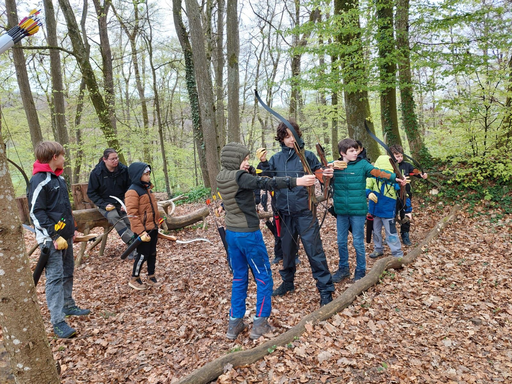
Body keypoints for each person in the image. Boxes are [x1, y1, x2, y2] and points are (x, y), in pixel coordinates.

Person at [216, 142, 316, 340]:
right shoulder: (241, 178)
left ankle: (234, 323)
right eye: (243, 159)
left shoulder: (222, 176)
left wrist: (249, 169)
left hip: (232, 234)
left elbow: (249, 179)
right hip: (248, 235)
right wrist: (298, 181)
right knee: (263, 276)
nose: (247, 162)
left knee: (239, 277)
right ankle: (260, 323)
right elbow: (265, 183)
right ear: (234, 160)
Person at [258, 120, 335, 306]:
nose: (290, 139)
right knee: (287, 251)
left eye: (293, 135)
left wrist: (327, 175)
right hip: (284, 213)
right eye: (286, 136)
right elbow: (264, 179)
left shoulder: (307, 156)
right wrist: (262, 164)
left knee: (314, 250)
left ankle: (325, 290)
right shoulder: (275, 159)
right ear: (281, 138)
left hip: (305, 211)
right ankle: (288, 282)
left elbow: (321, 177)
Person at [28, 141, 90, 339]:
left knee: (67, 272)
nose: (64, 158)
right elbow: (36, 213)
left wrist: (72, 230)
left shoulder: (59, 179)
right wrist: (53, 235)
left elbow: (64, 209)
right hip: (50, 239)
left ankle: (68, 305)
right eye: (62, 155)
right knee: (54, 278)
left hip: (65, 236)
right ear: (54, 156)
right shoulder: (39, 180)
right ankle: (58, 321)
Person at [331, 138, 407, 283]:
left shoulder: (362, 164)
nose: (355, 153)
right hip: (341, 210)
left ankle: (360, 270)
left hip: (358, 210)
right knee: (341, 241)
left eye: (356, 150)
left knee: (358, 241)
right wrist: (329, 169)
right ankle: (343, 269)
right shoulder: (335, 166)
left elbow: (378, 172)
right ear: (342, 153)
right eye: (351, 151)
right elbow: (322, 175)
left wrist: (394, 178)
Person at [87, 149, 135, 256]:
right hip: (105, 204)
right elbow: (91, 192)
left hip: (121, 202)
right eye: (112, 159)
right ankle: (132, 243)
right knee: (115, 217)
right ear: (105, 160)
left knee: (129, 219)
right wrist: (103, 204)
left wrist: (125, 202)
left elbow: (130, 187)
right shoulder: (96, 173)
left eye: (116, 158)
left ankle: (136, 247)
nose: (115, 161)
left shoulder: (123, 170)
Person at [366, 155, 411, 259]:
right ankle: (378, 249)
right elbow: (366, 187)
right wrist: (368, 193)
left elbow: (404, 195)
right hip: (374, 210)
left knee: (391, 232)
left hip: (388, 211)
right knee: (375, 231)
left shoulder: (394, 180)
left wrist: (408, 210)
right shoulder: (372, 177)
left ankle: (397, 253)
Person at [125, 162, 161, 290]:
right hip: (143, 232)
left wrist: (157, 222)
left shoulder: (148, 189)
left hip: (153, 228)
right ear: (137, 175)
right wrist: (140, 232)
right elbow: (132, 215)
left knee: (152, 253)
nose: (148, 176)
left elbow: (152, 209)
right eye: (146, 174)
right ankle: (135, 277)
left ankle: (151, 276)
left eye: (149, 174)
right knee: (142, 254)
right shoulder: (132, 192)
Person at [389, 145, 428, 246]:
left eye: (401, 156)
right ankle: (391, 235)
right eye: (397, 156)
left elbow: (414, 171)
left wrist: (421, 174)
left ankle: (405, 234)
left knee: (406, 213)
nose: (400, 158)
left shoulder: (406, 165)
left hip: (405, 194)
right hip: (392, 194)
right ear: (391, 156)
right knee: (391, 214)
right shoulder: (389, 166)